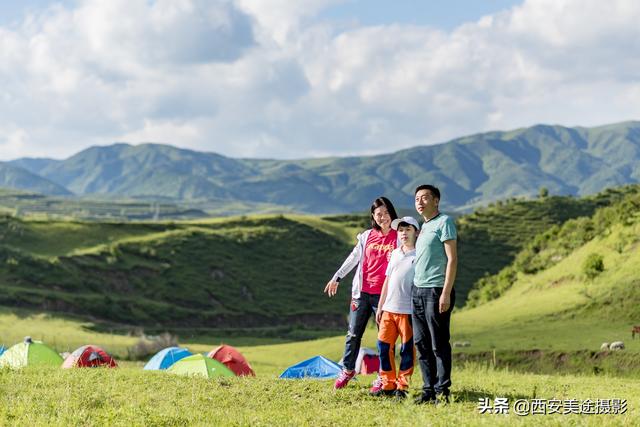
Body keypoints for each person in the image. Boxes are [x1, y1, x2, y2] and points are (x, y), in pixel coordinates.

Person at [324, 196, 399, 389]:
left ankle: (383, 377)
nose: (383, 217)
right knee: (353, 334)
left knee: (385, 337)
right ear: (373, 216)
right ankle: (348, 370)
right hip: (362, 294)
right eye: (379, 214)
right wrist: (337, 277)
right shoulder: (366, 236)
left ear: (392, 213)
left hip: (384, 296)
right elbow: (353, 258)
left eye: (386, 213)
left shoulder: (399, 236)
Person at [411, 184, 458, 404]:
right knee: (421, 343)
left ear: (436, 200)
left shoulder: (444, 222)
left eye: (425, 198)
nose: (420, 202)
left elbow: (452, 259)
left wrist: (446, 293)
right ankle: (428, 390)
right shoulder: (424, 226)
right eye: (417, 199)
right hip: (417, 291)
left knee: (438, 343)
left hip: (436, 290)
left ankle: (443, 391)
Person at [371, 216, 420, 400]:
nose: (403, 233)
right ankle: (388, 385)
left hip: (408, 311)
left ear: (416, 232)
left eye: (408, 229)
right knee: (383, 348)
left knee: (406, 350)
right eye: (400, 230)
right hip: (389, 310)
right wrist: (380, 307)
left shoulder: (420, 255)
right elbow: (387, 280)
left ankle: (403, 386)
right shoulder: (395, 253)